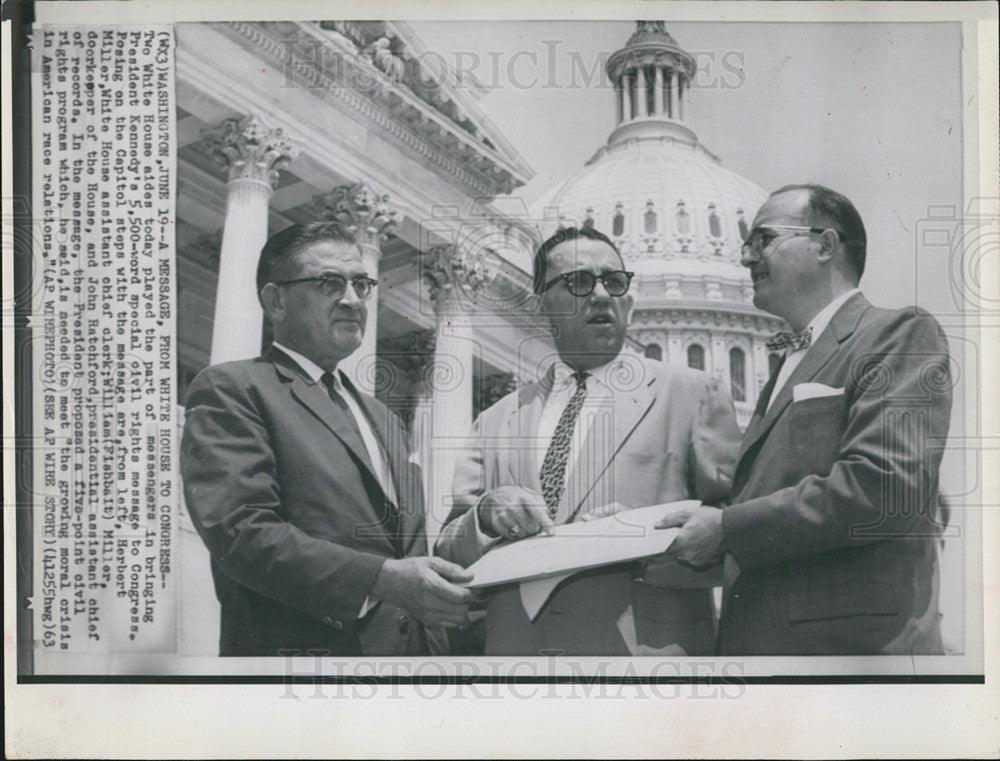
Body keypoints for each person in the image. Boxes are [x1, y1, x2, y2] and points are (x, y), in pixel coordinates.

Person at [657, 184, 952, 655]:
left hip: (851, 655)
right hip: (775, 651)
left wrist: (729, 528)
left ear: (825, 245)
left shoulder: (897, 333)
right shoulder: (788, 366)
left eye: (762, 240)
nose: (747, 258)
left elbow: (885, 485)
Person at [435, 226, 741, 656]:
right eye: (578, 282)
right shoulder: (497, 418)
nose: (600, 295)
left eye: (613, 282)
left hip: (645, 669)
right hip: (520, 669)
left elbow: (740, 530)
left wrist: (645, 539)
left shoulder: (692, 394)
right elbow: (449, 550)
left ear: (628, 301)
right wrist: (485, 516)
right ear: (541, 303)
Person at [181, 221, 475, 656]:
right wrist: (380, 579)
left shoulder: (384, 418)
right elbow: (240, 531)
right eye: (329, 283)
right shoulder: (235, 389)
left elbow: (409, 547)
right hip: (296, 674)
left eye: (362, 283)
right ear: (276, 301)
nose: (353, 300)